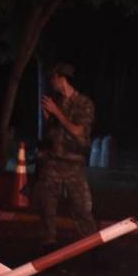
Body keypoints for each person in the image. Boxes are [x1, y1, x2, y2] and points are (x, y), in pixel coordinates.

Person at [35, 63, 97, 249]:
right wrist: (49, 118)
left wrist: (56, 113)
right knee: (46, 206)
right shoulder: (57, 101)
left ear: (62, 78)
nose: (51, 82)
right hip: (52, 162)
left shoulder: (83, 103)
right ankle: (48, 245)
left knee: (82, 208)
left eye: (53, 78)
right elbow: (53, 133)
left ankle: (92, 247)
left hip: (73, 164)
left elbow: (78, 131)